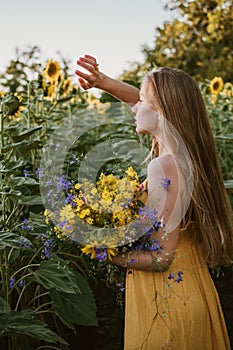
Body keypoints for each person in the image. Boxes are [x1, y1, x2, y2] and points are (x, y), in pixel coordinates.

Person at [75, 55, 233, 350]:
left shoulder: (164, 167)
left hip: (167, 306)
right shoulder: (187, 157)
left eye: (143, 101)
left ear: (162, 112)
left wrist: (103, 247)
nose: (135, 106)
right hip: (192, 288)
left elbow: (160, 259)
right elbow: (144, 104)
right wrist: (103, 82)